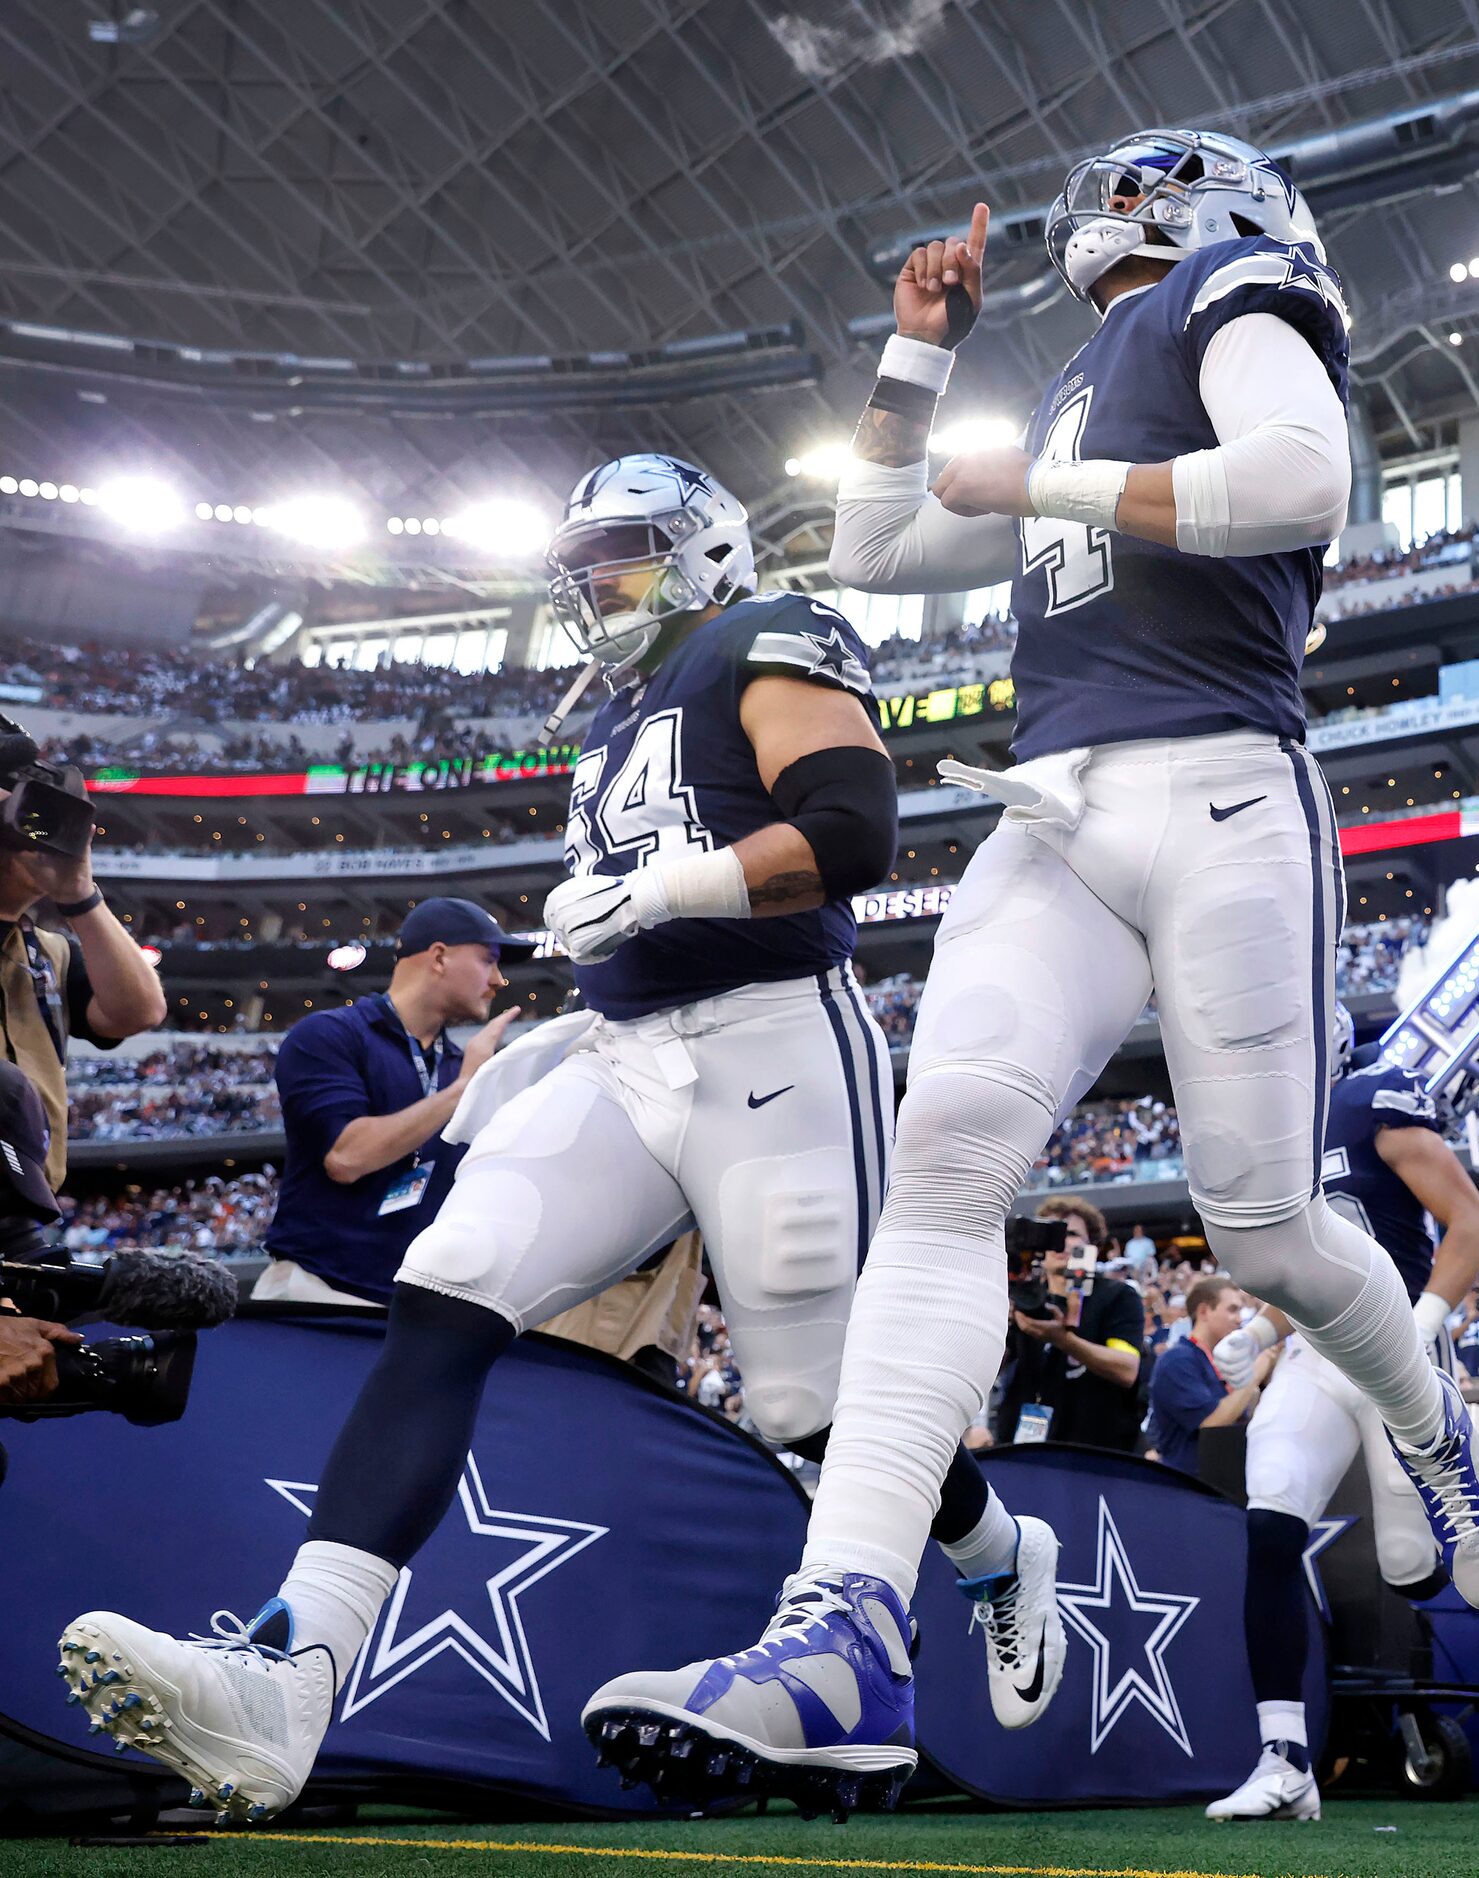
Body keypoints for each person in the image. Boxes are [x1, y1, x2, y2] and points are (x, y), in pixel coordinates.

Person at [647, 133, 1479, 1796]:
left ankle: (1430, 1431)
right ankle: (838, 1616)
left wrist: (1033, 485)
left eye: (1146, 185)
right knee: (945, 1169)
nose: (1112, 207)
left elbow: (1297, 481)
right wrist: (921, 350)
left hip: (1222, 786)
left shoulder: (1237, 290)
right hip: (1053, 806)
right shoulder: (1069, 379)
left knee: (1262, 1220)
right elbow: (874, 547)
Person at [55, 451, 1031, 1826]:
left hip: (776, 1041)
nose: (590, 585)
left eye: (619, 555)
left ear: (702, 553)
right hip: (627, 1051)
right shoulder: (621, 705)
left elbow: (855, 830)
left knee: (817, 1408)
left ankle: (994, 1554)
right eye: (578, 563)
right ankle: (292, 1667)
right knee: (447, 1290)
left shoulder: (769, 632)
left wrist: (659, 886)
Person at [1206, 1055, 1479, 1823]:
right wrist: (1260, 1329)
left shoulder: (1370, 1099)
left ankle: (1478, 1495)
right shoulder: (1273, 1121)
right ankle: (1285, 1758)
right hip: (1314, 1353)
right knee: (1270, 1523)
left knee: (1409, 1564)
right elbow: (1305, 1269)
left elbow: (1472, 1222)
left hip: (1399, 1345)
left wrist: (1424, 1324)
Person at [253, 899, 515, 1305]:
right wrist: (461, 1091)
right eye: (488, 960)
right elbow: (347, 1157)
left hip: (411, 1306)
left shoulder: (462, 1067)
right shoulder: (329, 1035)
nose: (499, 979)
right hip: (317, 1292)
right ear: (440, 957)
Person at [0, 719, 168, 1186]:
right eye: (26, 817)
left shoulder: (50, 953)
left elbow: (140, 1011)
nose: (41, 838)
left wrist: (80, 895)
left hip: (26, 1213)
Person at [997, 1196, 1150, 1451]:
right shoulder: (1022, 1297)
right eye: (1050, 1234)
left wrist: (1064, 1341)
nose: (1060, 1242)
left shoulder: (1116, 1295)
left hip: (1095, 1450)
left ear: (1092, 1245)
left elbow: (1126, 1369)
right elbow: (992, 1368)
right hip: (1024, 1452)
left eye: (1071, 1234)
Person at [1147, 1274, 1268, 1474]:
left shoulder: (1216, 1360)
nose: (1239, 1319)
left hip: (1222, 1479)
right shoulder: (1177, 1360)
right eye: (1232, 1309)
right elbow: (1211, 1423)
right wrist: (1259, 1367)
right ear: (1204, 1311)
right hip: (1189, 1486)